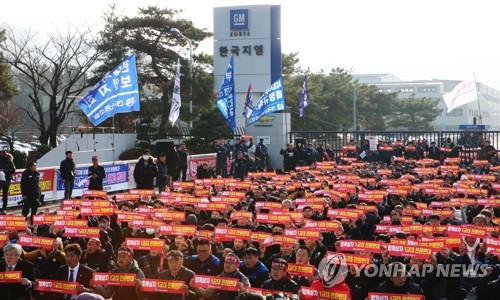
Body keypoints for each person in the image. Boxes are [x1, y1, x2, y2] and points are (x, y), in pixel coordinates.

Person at [0, 150, 15, 214]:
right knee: (5, 195)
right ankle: (4, 208)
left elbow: (13, 169)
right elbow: (13, 169)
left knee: (5, 194)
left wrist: (5, 171)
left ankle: (4, 208)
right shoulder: (9, 160)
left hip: (6, 179)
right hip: (4, 179)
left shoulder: (9, 160)